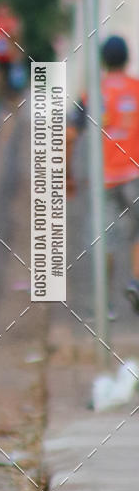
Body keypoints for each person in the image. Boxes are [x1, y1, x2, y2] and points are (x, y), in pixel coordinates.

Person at [67, 34, 139, 314]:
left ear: (103, 60)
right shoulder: (136, 88)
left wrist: (68, 174)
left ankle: (105, 303)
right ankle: (135, 282)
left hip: (104, 177)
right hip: (135, 173)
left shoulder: (92, 93)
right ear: (126, 58)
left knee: (106, 237)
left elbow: (70, 135)